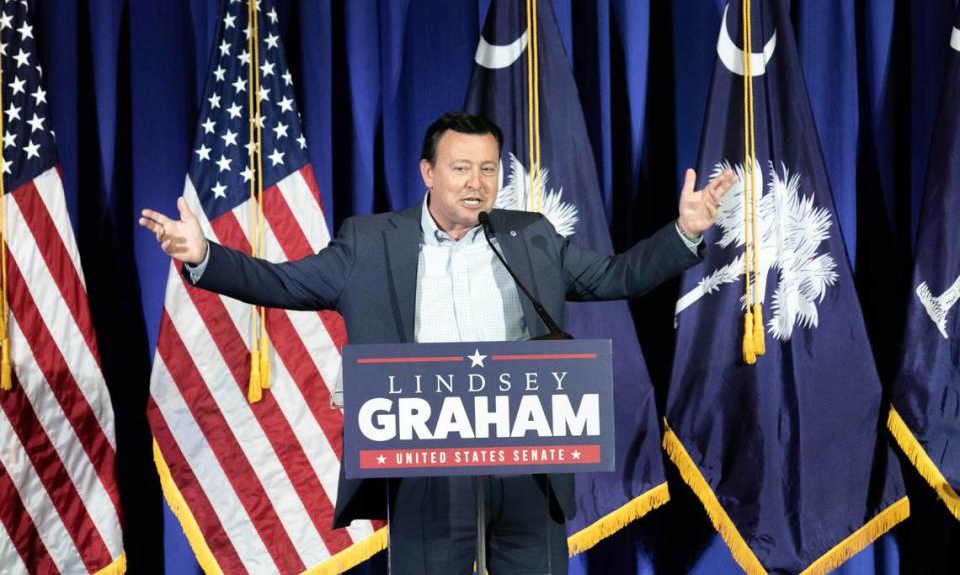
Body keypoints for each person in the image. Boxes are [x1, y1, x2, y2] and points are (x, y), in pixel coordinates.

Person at [141, 111, 736, 575]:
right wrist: (206, 258)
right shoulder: (371, 243)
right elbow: (284, 282)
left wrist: (685, 231)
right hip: (424, 458)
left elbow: (615, 278)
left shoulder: (530, 236)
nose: (477, 184)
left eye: (489, 169)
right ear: (428, 172)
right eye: (460, 168)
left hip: (523, 456)